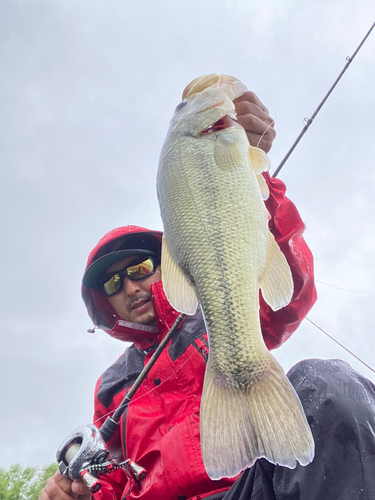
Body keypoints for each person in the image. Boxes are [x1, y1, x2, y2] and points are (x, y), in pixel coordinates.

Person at [39, 92, 375, 500]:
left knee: (327, 386)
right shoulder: (110, 388)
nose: (129, 287)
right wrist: (80, 494)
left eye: (139, 270)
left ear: (167, 264)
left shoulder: (210, 312)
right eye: (112, 284)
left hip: (250, 488)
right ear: (103, 302)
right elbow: (112, 480)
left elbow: (291, 297)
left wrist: (253, 181)